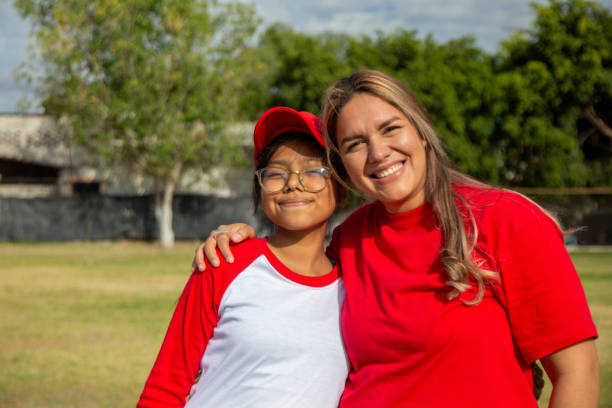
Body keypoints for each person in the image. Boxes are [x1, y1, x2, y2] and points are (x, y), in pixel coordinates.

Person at [193, 70, 599, 407]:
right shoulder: (349, 239)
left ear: (420, 130)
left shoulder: (504, 218)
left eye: (391, 129)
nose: (378, 152)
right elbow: (291, 280)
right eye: (355, 144)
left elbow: (577, 372)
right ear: (342, 166)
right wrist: (240, 237)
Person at [137, 107, 350, 408]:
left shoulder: (355, 286)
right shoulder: (224, 261)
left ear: (340, 189)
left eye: (314, 171)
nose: (293, 183)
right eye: (276, 173)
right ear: (260, 188)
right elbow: (165, 386)